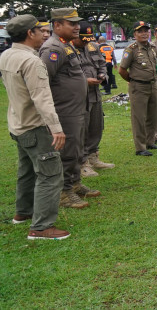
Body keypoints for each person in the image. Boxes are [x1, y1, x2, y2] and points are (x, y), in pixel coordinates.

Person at [0, 14, 69, 240]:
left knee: (27, 171)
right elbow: (41, 98)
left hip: (18, 124)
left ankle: (23, 212)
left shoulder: (7, 55)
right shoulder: (31, 60)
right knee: (50, 174)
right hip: (34, 125)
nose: (44, 35)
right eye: (41, 31)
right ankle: (41, 227)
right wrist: (56, 128)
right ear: (30, 33)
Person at [39, 8, 100, 208]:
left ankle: (74, 183)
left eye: (77, 23)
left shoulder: (66, 46)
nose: (77, 27)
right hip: (64, 110)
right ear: (57, 25)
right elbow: (43, 82)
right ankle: (64, 192)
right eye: (71, 23)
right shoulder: (53, 49)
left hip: (77, 108)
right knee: (67, 151)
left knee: (76, 148)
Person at [72, 21, 114, 176]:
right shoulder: (68, 49)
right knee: (81, 129)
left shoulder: (93, 46)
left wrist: (103, 74)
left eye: (88, 38)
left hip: (95, 94)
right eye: (83, 39)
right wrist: (85, 81)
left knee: (96, 126)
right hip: (78, 96)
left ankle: (93, 156)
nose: (86, 42)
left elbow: (102, 64)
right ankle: (82, 162)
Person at [118, 21, 157, 156]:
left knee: (153, 115)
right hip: (138, 86)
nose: (144, 33)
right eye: (140, 31)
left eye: (146, 31)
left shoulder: (152, 47)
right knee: (139, 118)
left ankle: (150, 141)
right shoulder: (131, 49)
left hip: (153, 85)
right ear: (135, 34)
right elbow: (122, 70)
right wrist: (132, 81)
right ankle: (140, 147)